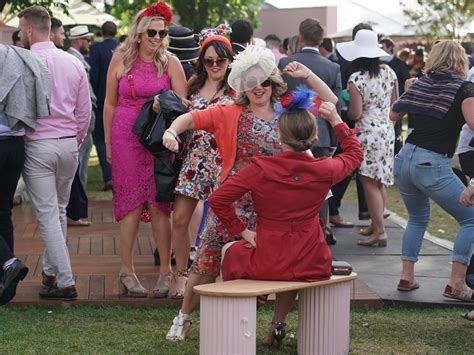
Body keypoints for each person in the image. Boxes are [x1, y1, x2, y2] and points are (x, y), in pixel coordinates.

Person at [163, 45, 338, 341]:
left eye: (265, 81)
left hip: (275, 204)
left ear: (273, 82)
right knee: (206, 259)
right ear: (242, 85)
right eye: (252, 82)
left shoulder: (288, 109)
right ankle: (184, 317)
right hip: (231, 200)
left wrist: (306, 74)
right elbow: (191, 119)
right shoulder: (230, 112)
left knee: (288, 264)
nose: (259, 88)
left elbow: (331, 101)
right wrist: (171, 132)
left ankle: (277, 324)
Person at [210, 96, 363, 348]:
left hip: (268, 256)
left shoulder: (260, 168)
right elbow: (356, 153)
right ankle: (277, 323)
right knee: (291, 268)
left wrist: (242, 231)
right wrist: (336, 120)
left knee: (230, 252)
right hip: (311, 259)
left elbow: (218, 199)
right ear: (313, 137)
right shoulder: (325, 169)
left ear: (280, 137)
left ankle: (235, 330)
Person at [104, 2, 187, 298]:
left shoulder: (171, 63)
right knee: (129, 206)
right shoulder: (120, 59)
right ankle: (126, 272)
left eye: (162, 33)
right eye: (152, 32)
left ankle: (166, 271)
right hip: (125, 138)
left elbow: (182, 105)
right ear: (139, 33)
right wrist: (108, 143)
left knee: (159, 205)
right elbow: (110, 103)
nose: (157, 38)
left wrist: (162, 103)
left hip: (157, 142)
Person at [391, 40, 474, 301]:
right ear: (461, 60)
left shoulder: (421, 84)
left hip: (404, 159)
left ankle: (407, 277)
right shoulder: (464, 88)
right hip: (431, 163)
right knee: (471, 218)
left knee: (416, 218)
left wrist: (409, 91)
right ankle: (456, 284)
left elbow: (393, 115)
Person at [18, 5, 91, 299]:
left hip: (38, 144)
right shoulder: (72, 62)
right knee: (57, 212)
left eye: (21, 29)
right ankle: (50, 272)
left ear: (30, 30)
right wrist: (76, 139)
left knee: (48, 215)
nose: (21, 34)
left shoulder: (24, 61)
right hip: (68, 143)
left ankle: (65, 279)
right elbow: (84, 110)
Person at [166, 27, 234, 299]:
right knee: (180, 220)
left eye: (221, 60)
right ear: (202, 62)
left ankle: (216, 276)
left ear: (230, 60)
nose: (215, 65)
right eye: (209, 60)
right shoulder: (193, 85)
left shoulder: (238, 88)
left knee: (220, 226)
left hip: (223, 163)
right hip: (193, 161)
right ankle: (180, 277)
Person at [279, 17, 342, 243]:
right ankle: (321, 231)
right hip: (322, 134)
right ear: (321, 39)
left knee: (289, 183)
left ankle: (293, 232)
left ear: (301, 37)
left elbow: (278, 95)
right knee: (321, 186)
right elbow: (336, 106)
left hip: (289, 132)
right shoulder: (333, 67)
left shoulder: (286, 62)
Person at [0, 43, 51, 305]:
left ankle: (8, 263)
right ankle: (4, 284)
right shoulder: (19, 56)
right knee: (3, 211)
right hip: (15, 142)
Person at [336, 30, 398, 246]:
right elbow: (395, 103)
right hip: (386, 131)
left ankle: (380, 232)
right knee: (381, 180)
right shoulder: (389, 72)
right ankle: (376, 223)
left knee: (368, 181)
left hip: (368, 133)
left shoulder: (356, 78)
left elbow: (355, 114)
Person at [66, 25, 97, 228]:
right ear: (79, 40)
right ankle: (75, 213)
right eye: (88, 40)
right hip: (80, 126)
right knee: (78, 171)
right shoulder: (74, 60)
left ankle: (75, 211)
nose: (90, 44)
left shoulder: (76, 59)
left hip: (83, 125)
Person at [89, 21, 119, 192]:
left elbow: (93, 75)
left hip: (102, 100)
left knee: (101, 138)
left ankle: (109, 177)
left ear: (102, 32)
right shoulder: (124, 49)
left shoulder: (97, 49)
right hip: (122, 101)